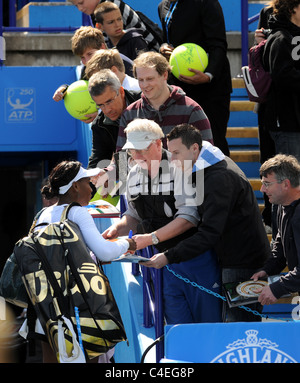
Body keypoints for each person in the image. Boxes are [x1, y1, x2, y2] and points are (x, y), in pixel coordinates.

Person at [142, 124, 271, 322]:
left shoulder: (218, 178)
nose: (173, 160)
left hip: (245, 266)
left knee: (237, 331)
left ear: (195, 148)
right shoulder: (208, 167)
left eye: (177, 153)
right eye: (171, 152)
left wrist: (168, 256)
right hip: (237, 260)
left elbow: (209, 233)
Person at [103, 119, 222, 324]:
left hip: (197, 260)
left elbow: (189, 218)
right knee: (176, 330)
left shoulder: (180, 168)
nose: (136, 156)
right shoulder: (132, 173)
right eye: (132, 151)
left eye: (142, 149)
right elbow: (133, 216)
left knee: (208, 327)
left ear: (158, 143)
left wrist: (150, 239)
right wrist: (115, 230)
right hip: (163, 264)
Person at [20, 160, 136, 363]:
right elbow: (106, 253)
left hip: (44, 307)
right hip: (78, 307)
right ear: (75, 187)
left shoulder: (41, 215)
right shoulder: (77, 212)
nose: (91, 188)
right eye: (86, 182)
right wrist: (129, 243)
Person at [158, 0, 232, 156]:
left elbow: (218, 43)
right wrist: (164, 46)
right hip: (181, 88)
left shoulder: (206, 3)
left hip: (211, 89)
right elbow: (167, 38)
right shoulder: (163, 6)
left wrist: (208, 75)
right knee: (183, 145)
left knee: (213, 143)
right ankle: (189, 181)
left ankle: (222, 179)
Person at [116, 51, 213, 151]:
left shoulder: (192, 111)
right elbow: (121, 158)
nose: (145, 85)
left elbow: (206, 156)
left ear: (165, 75)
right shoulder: (129, 113)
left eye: (150, 79)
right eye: (141, 80)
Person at [251, 154, 300, 306]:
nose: (262, 189)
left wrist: (279, 287)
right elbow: (280, 244)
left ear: (286, 184)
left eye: (267, 184)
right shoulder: (280, 204)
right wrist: (267, 270)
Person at [261, 0, 300, 162]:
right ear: (292, 9)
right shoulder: (281, 38)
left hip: (294, 121)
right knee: (290, 179)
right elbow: (282, 76)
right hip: (286, 122)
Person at [87, 69, 140, 169]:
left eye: (109, 102)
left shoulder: (144, 102)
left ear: (121, 91)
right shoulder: (99, 125)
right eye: (100, 105)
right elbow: (98, 161)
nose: (107, 110)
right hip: (127, 177)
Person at [52, 26, 106, 123]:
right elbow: (81, 89)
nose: (87, 61)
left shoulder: (118, 64)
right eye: (82, 57)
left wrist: (102, 113)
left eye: (90, 54)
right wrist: (64, 90)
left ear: (103, 47)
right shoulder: (86, 70)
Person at [70, 0, 160, 51]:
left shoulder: (110, 7)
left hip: (149, 52)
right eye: (76, 5)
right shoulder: (97, 10)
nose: (80, 8)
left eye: (81, 2)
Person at [94, 2, 149, 76]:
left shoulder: (136, 40)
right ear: (99, 27)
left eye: (119, 19)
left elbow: (145, 72)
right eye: (111, 22)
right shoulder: (105, 46)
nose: (117, 25)